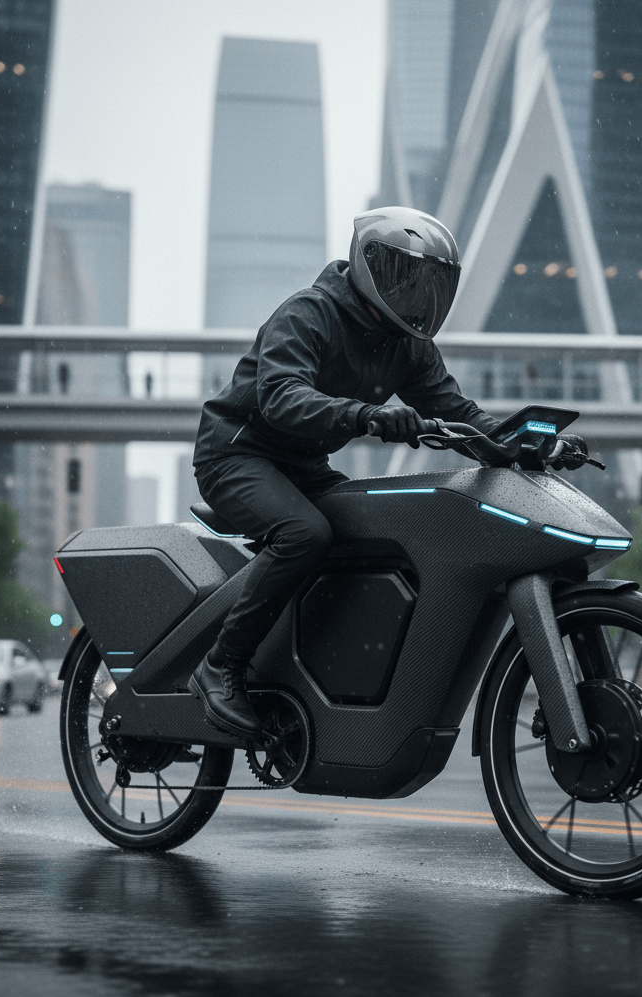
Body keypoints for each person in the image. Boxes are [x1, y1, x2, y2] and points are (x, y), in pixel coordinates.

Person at [188, 208, 578, 737]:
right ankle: (221, 666)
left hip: (303, 467)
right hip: (236, 455)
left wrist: (526, 446)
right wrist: (364, 414)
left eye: (431, 285)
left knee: (377, 529)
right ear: (368, 267)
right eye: (405, 279)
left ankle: (308, 674)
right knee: (305, 533)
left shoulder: (408, 347)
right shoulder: (308, 314)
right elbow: (281, 397)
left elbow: (458, 412)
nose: (419, 297)